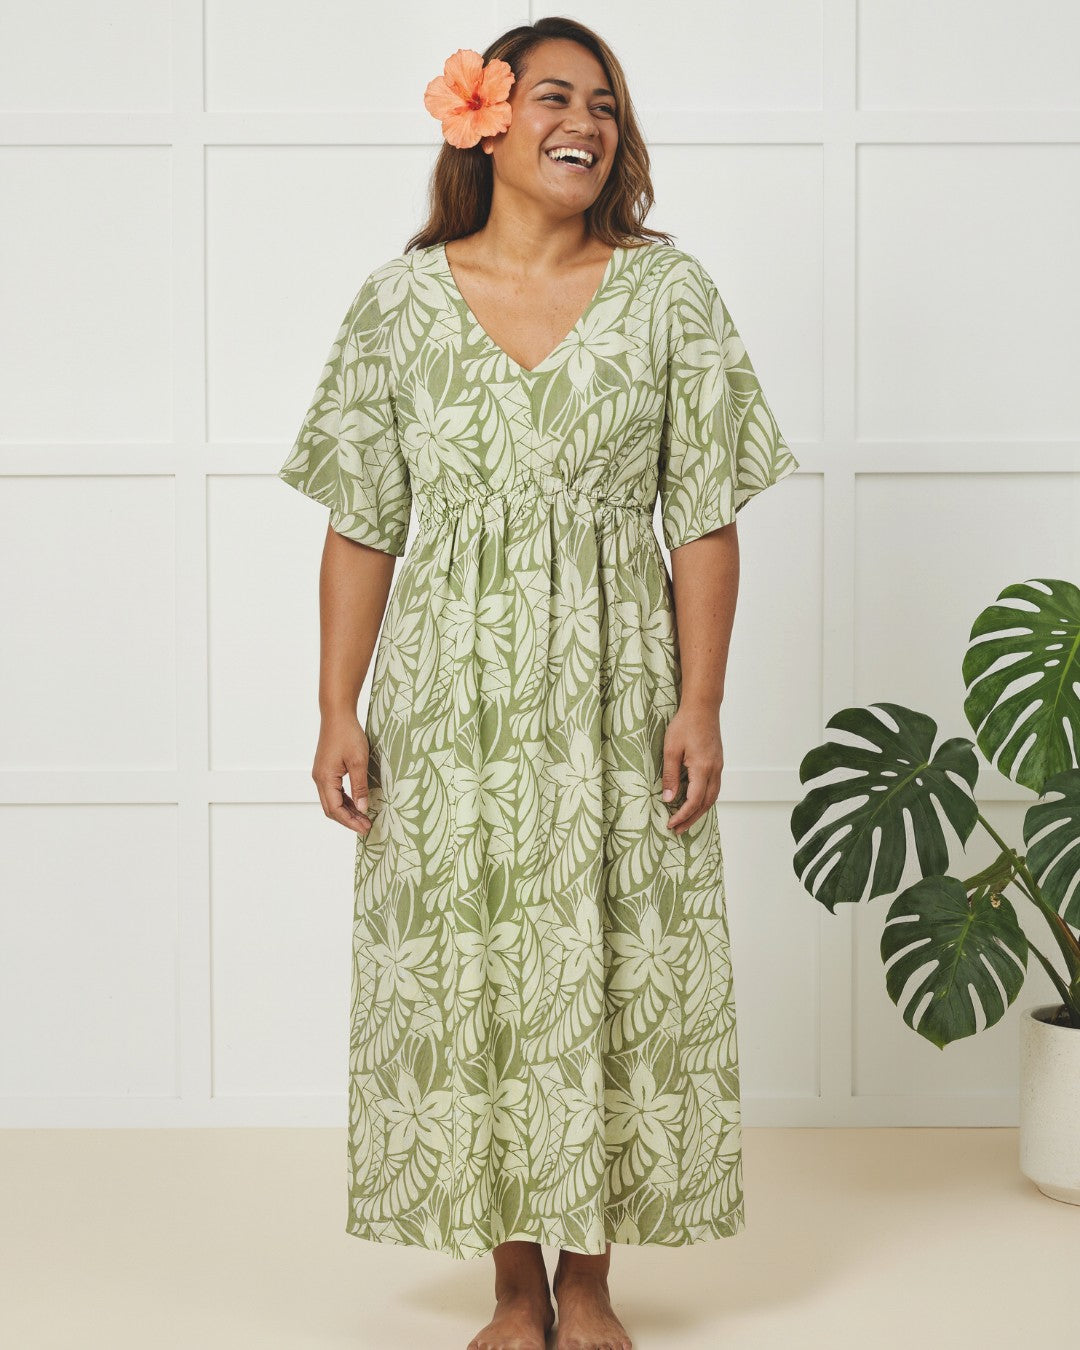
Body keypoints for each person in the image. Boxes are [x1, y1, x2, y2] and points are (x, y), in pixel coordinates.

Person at [278, 17, 799, 1350]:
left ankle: (592, 1279)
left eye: (608, 106)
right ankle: (514, 1282)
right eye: (556, 96)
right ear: (485, 121)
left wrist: (702, 701)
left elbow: (703, 518)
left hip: (620, 691)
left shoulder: (669, 296)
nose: (589, 122)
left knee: (617, 962)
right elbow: (360, 521)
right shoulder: (399, 304)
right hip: (453, 698)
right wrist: (339, 703)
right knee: (483, 967)